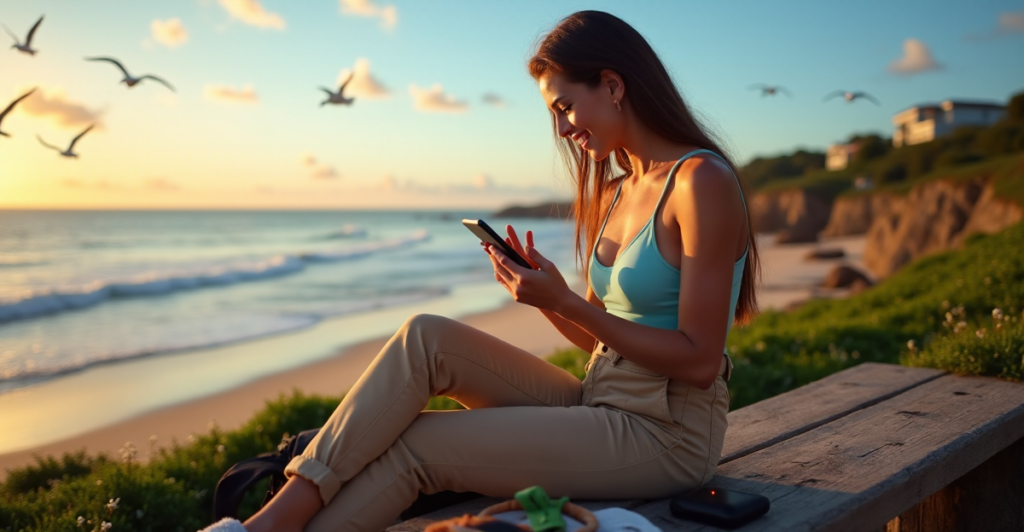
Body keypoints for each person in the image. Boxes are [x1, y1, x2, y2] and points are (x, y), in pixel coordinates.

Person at [201, 9, 760, 532]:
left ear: (612, 85)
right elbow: (599, 339)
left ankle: (264, 528)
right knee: (426, 337)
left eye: (565, 106)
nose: (562, 128)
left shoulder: (699, 182)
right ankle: (272, 520)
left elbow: (699, 362)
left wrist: (565, 302)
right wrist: (546, 297)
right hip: (599, 397)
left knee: (420, 446)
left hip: (665, 432)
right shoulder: (616, 190)